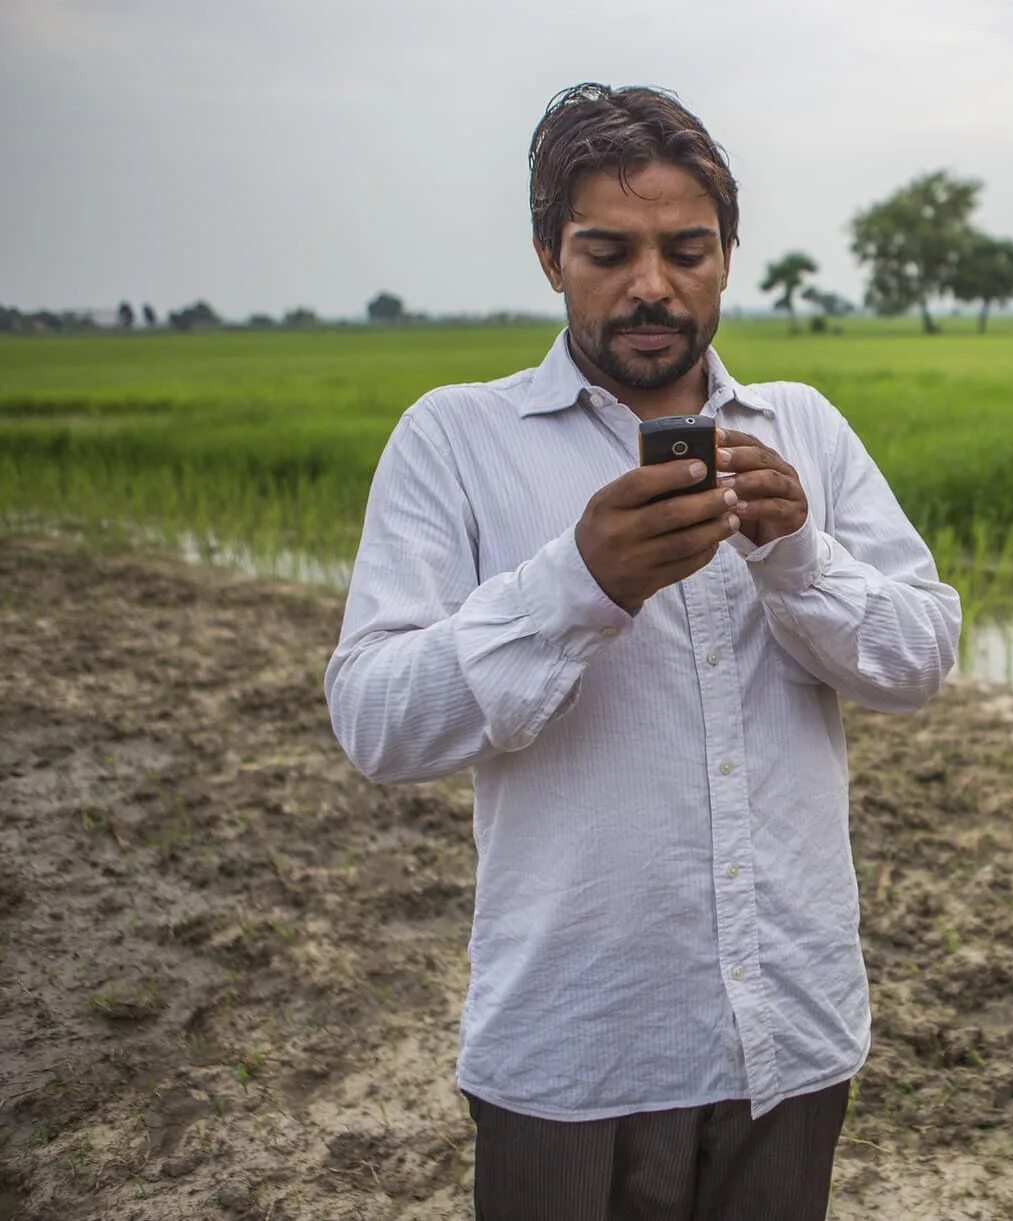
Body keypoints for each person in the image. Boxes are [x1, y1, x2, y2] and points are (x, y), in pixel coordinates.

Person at [325, 83, 960, 1220]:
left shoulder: (800, 428)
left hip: (790, 1029)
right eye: (606, 250)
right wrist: (576, 585)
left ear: (726, 257)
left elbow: (918, 659)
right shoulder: (453, 440)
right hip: (574, 1048)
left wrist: (798, 558)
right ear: (547, 256)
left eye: (686, 249)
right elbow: (374, 720)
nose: (651, 284)